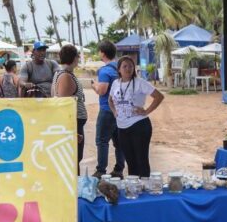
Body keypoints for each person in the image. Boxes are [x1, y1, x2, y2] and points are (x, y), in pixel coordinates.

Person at [109, 56, 164, 177]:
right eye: (125, 66)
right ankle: (134, 188)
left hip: (139, 125)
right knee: (130, 161)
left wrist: (147, 111)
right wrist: (114, 112)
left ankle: (145, 188)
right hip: (122, 127)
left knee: (141, 160)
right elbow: (110, 100)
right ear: (119, 69)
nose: (128, 68)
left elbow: (159, 96)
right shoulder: (115, 83)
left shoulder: (140, 82)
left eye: (131, 66)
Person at [93, 40, 126, 178]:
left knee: (102, 141)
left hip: (107, 110)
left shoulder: (105, 70)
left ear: (103, 53)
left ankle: (101, 171)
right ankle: (119, 169)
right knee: (119, 143)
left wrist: (94, 85)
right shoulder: (120, 68)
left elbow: (102, 90)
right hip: (121, 111)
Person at [53, 44, 88, 172]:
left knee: (75, 158)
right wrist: (72, 131)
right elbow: (63, 105)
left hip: (75, 123)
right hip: (72, 124)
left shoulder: (65, 74)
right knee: (73, 159)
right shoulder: (65, 76)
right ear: (74, 58)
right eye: (77, 56)